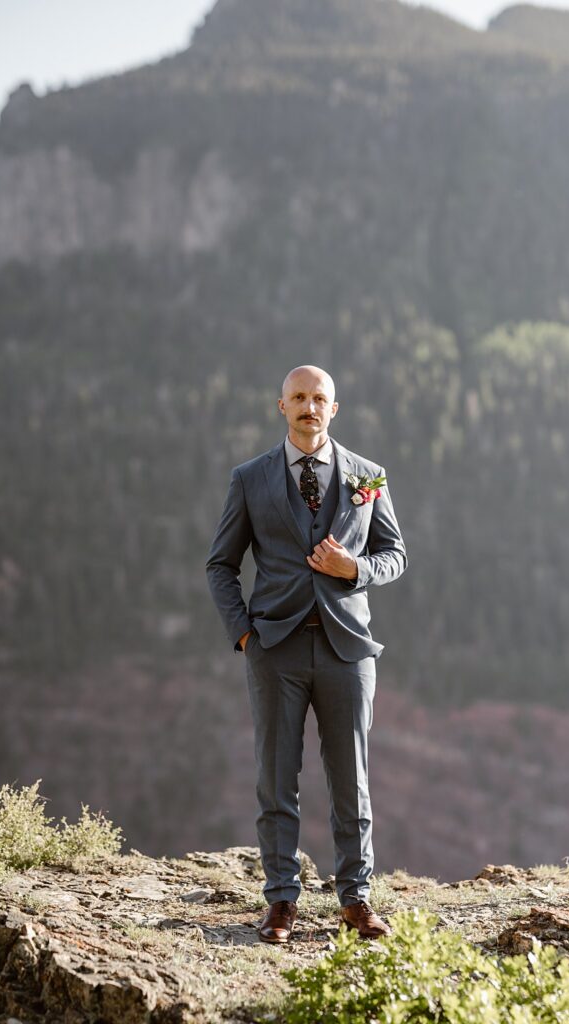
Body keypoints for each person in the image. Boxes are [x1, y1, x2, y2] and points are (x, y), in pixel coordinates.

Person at [205, 364, 407, 942]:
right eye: (299, 397)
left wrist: (357, 568)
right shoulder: (250, 478)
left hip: (349, 649)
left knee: (353, 779)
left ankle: (357, 899)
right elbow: (221, 564)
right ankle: (281, 903)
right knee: (277, 779)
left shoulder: (369, 476)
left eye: (319, 397)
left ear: (334, 408)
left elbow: (395, 554)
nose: (309, 406)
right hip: (276, 648)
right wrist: (244, 633)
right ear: (281, 406)